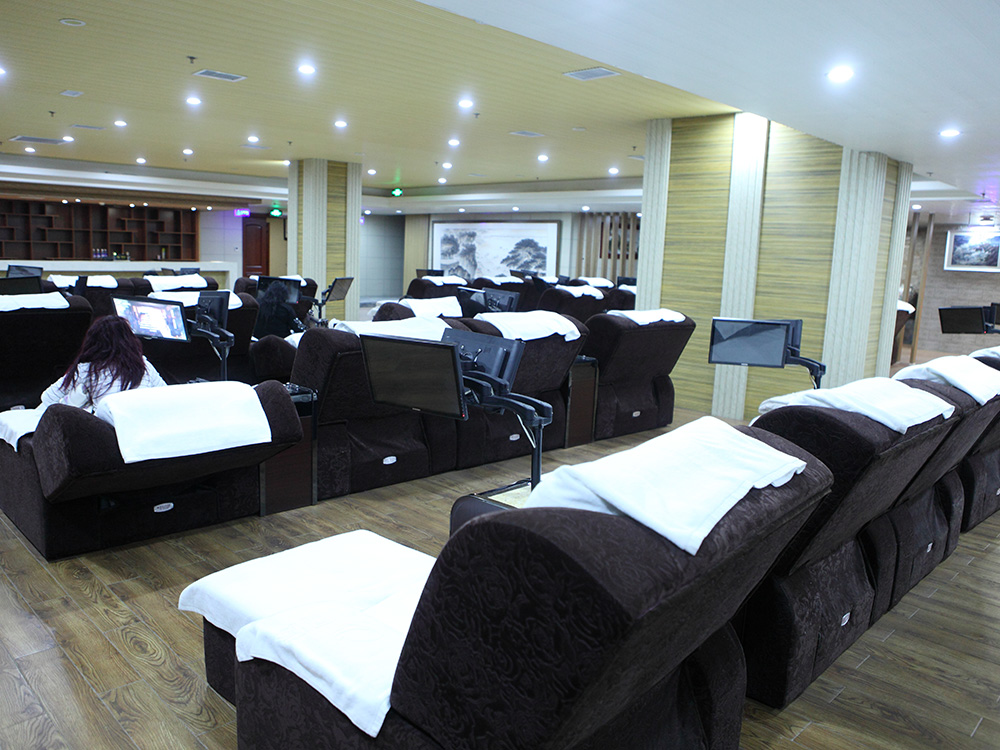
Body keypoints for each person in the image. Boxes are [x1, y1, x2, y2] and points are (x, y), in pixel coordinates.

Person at [40, 315, 167, 412]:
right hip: (141, 428)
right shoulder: (144, 365)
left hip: (105, 433)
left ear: (93, 342)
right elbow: (167, 395)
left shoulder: (86, 370)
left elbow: (48, 398)